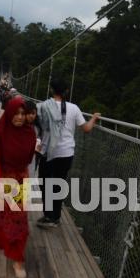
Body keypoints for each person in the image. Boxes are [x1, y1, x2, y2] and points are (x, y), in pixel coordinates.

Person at [0, 96, 37, 278]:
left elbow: (29, 158)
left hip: (20, 179)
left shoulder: (30, 133)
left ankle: (17, 259)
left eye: (23, 113)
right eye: (16, 113)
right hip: (1, 176)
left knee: (19, 220)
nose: (20, 117)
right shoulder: (0, 131)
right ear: (10, 113)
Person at [36, 78, 100, 229]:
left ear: (51, 90)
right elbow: (86, 129)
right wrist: (94, 118)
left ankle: (48, 215)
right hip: (66, 153)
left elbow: (36, 127)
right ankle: (55, 217)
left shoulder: (42, 106)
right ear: (66, 91)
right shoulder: (74, 108)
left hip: (47, 152)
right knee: (58, 184)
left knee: (45, 183)